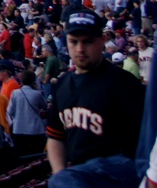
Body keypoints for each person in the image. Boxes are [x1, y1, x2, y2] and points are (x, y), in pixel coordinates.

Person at [46, 11, 146, 188]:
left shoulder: (122, 82)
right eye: (74, 42)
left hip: (123, 168)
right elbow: (55, 137)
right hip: (82, 176)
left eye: (87, 41)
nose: (80, 49)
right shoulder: (62, 85)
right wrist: (60, 174)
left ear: (101, 41)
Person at [6, 69, 46, 158]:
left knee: (21, 157)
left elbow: (9, 111)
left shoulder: (15, 93)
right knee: (37, 157)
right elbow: (44, 106)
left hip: (19, 129)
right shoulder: (37, 94)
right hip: (35, 130)